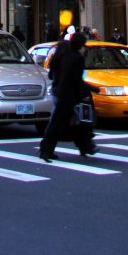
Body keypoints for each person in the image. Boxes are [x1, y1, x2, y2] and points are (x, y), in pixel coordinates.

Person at [39, 32, 94, 162]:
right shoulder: (76, 58)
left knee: (66, 122)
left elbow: (53, 75)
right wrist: (88, 91)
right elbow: (76, 80)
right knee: (71, 121)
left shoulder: (62, 56)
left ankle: (84, 146)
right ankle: (84, 146)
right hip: (67, 95)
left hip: (60, 92)